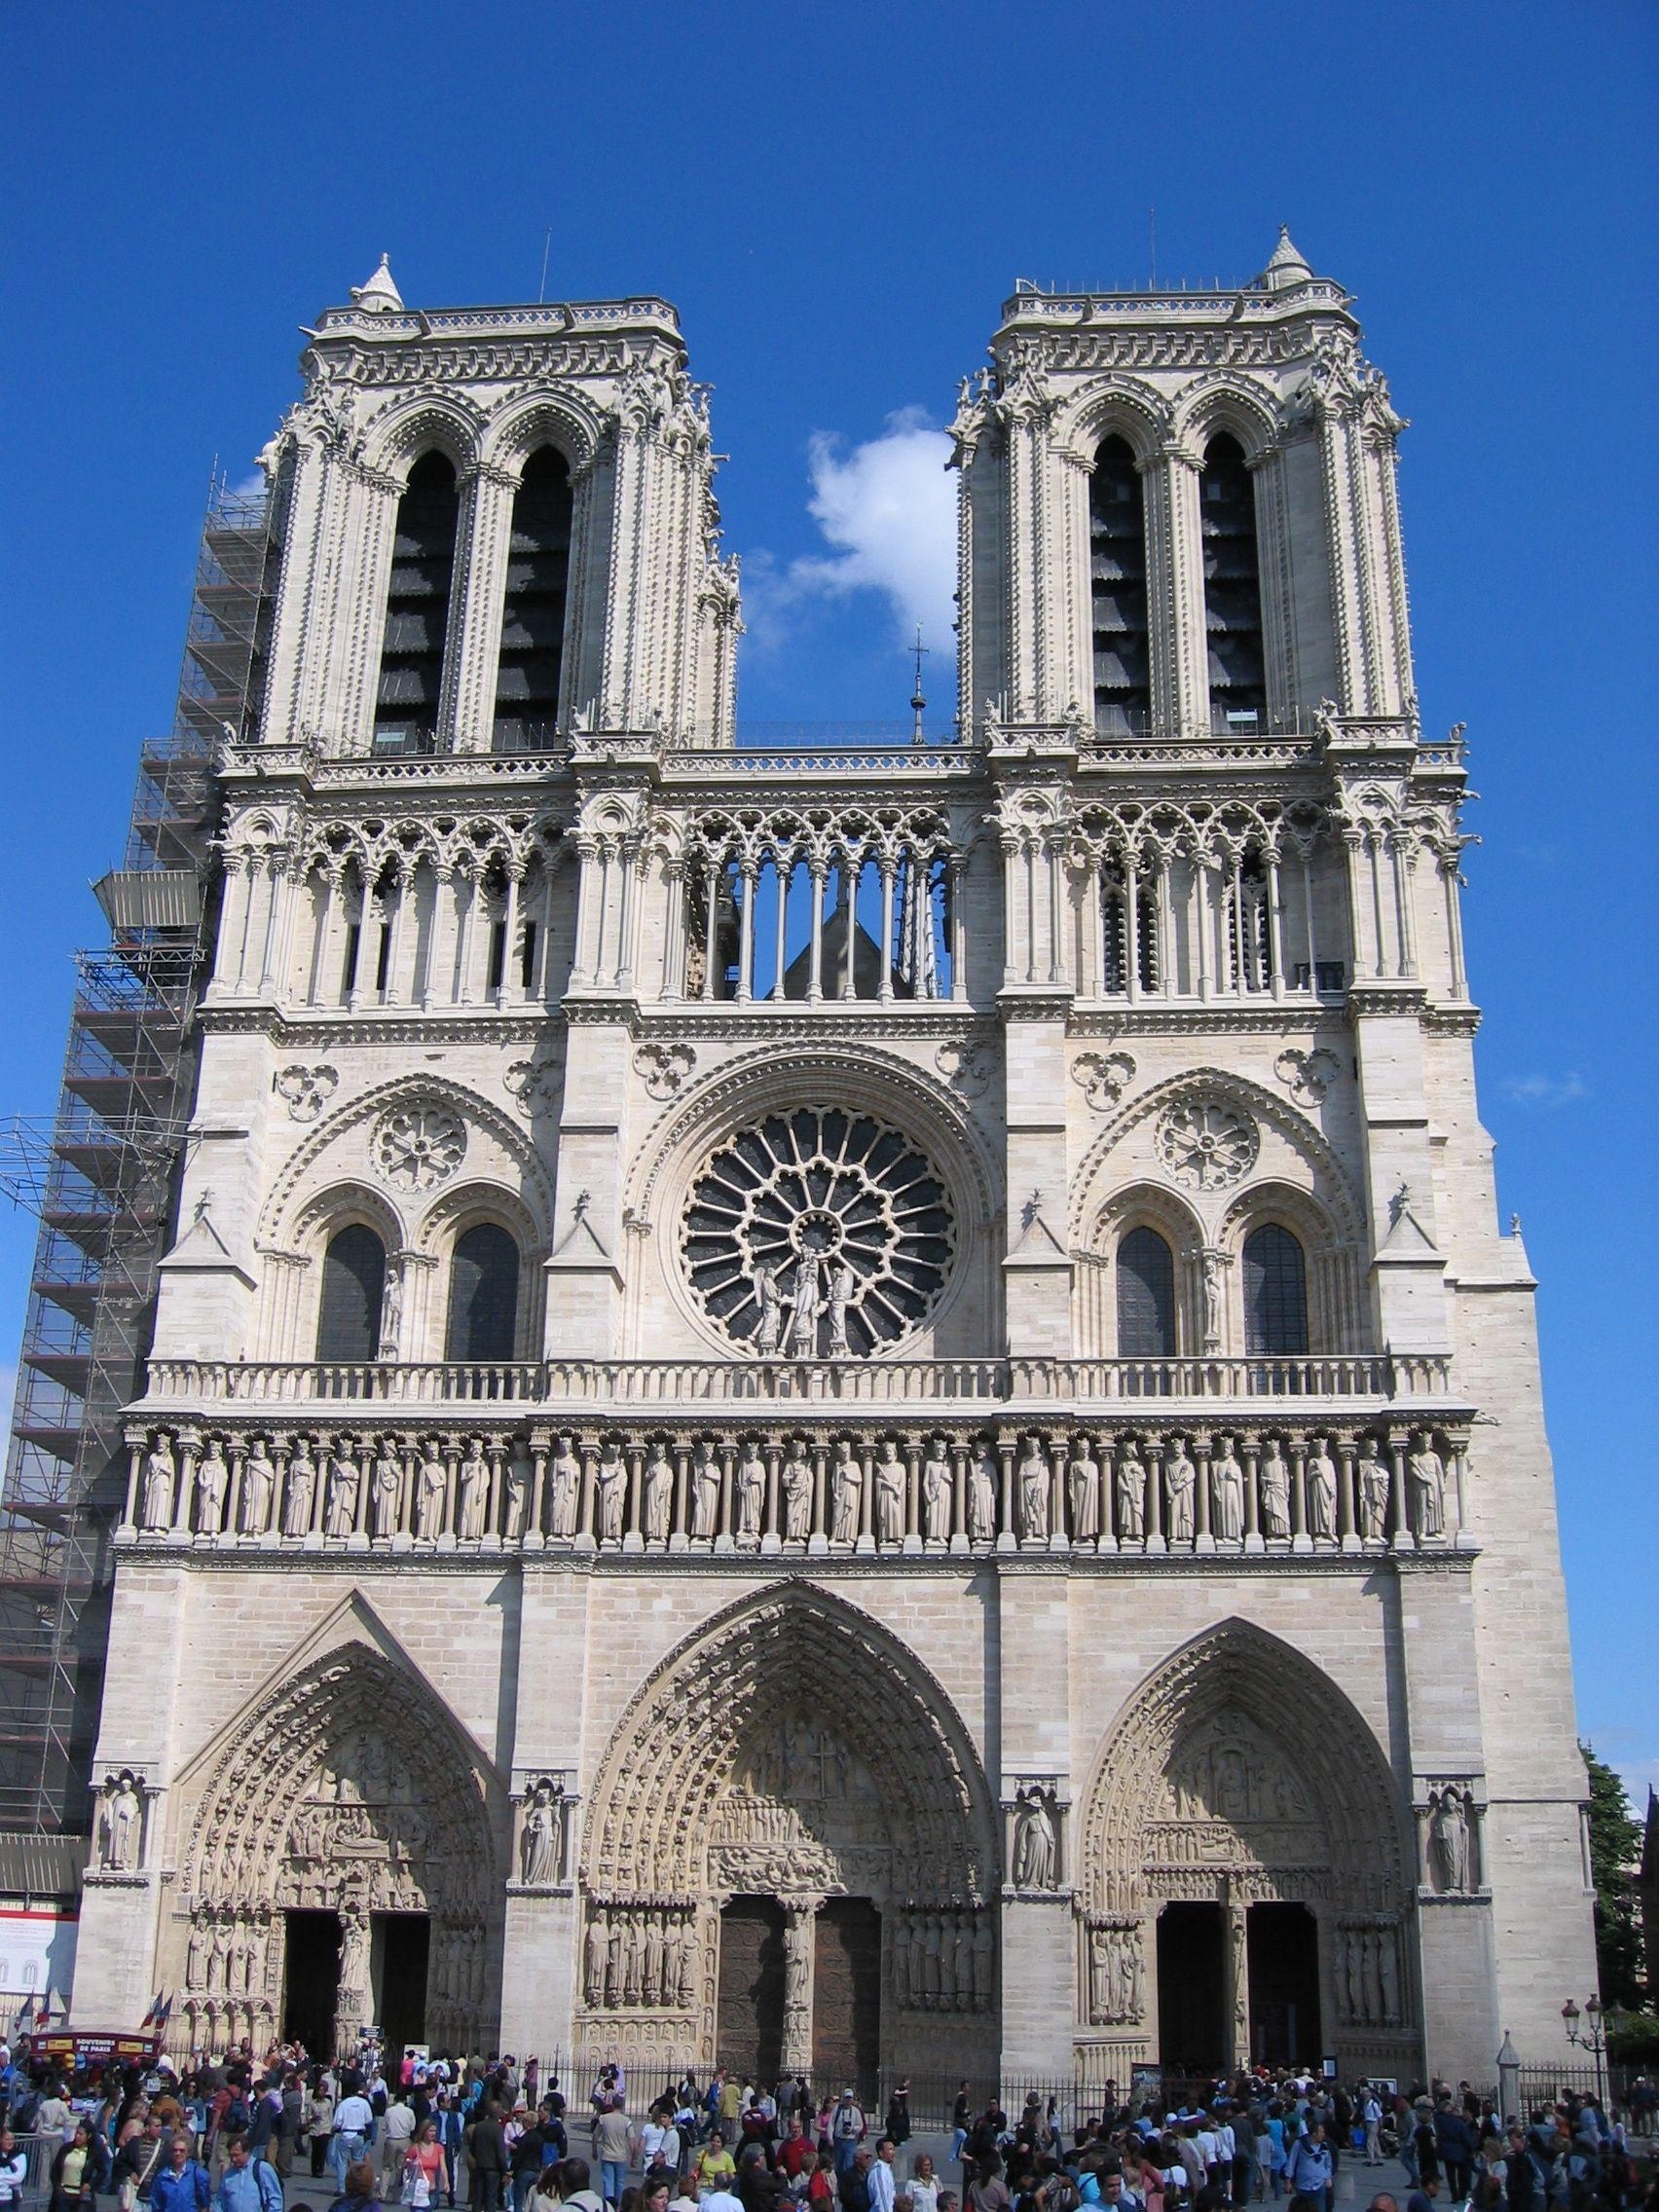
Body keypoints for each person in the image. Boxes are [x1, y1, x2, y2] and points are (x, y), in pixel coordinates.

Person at [213, 2137, 283, 2212]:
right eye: (231, 2155)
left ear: (247, 2152)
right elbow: (220, 2201)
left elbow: (276, 2199)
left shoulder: (263, 2169)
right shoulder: (228, 2174)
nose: (233, 2159)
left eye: (236, 2155)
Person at [594, 2100, 632, 2211]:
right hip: (621, 2156)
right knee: (619, 2182)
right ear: (622, 2106)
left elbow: (595, 2136)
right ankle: (618, 2206)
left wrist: (594, 2150)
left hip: (607, 2154)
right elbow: (632, 2140)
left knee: (608, 2181)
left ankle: (608, 2205)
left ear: (613, 2105)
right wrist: (634, 2155)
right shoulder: (626, 2120)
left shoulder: (603, 2118)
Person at [0, 2130, 31, 2212]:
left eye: (12, 2139)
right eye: (7, 2139)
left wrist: (1, 2178)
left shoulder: (20, 2156)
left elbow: (18, 2178)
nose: (10, 2142)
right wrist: (7, 2179)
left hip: (10, 2199)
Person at [869, 2145, 898, 2212]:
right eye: (890, 2149)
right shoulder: (879, 2172)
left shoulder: (887, 2169)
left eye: (894, 2149)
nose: (893, 2153)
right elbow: (881, 2199)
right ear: (881, 2153)